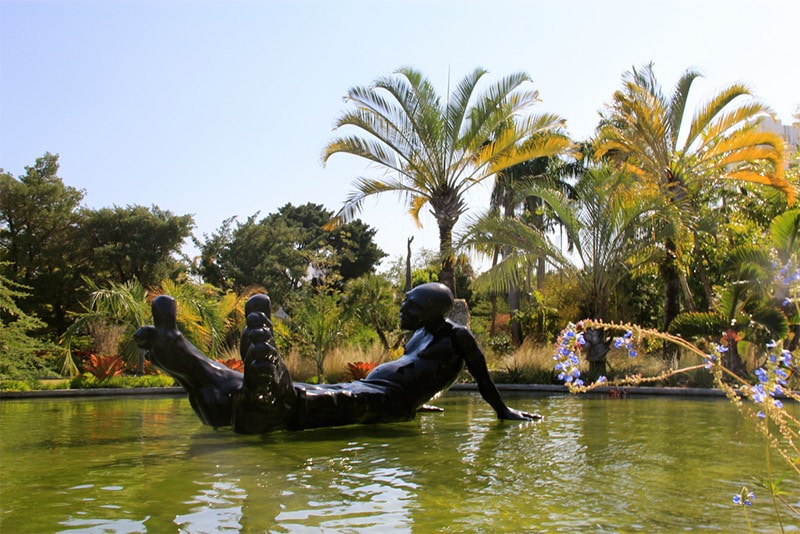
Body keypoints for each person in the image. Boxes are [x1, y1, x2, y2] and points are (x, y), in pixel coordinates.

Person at [135, 282, 539, 434]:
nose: (401, 310)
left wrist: (505, 413)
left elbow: (482, 379)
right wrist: (421, 407)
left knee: (337, 400)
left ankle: (274, 402)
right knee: (331, 390)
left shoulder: (459, 337)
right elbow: (423, 377)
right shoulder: (418, 334)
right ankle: (202, 371)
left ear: (432, 312)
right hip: (378, 392)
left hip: (383, 400)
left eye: (409, 305)